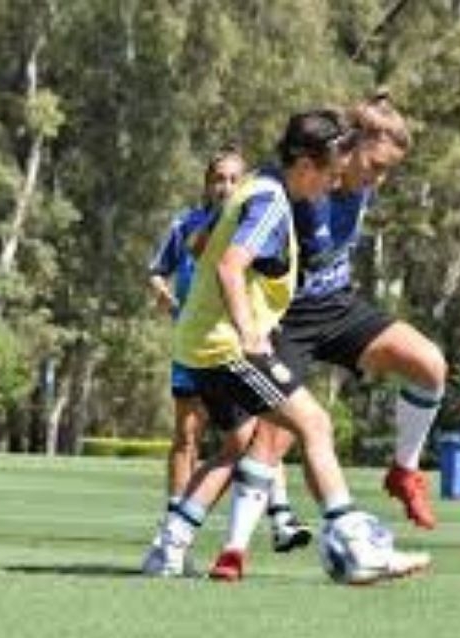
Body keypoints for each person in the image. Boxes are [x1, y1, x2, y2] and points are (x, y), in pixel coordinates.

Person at [141, 108, 430, 582]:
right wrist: (249, 332)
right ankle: (357, 548)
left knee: (238, 444)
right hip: (226, 347)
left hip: (200, 345)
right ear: (307, 165)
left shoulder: (259, 183)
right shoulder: (272, 201)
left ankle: (166, 549)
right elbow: (229, 266)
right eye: (331, 174)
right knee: (314, 424)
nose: (332, 186)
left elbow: (199, 245)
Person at [147, 147, 310, 553]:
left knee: (260, 427)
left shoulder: (253, 223)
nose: (226, 186)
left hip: (237, 343)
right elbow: (159, 270)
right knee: (189, 434)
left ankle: (280, 515)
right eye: (219, 179)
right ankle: (175, 522)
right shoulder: (188, 224)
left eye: (235, 179)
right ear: (207, 183)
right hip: (197, 343)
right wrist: (163, 293)